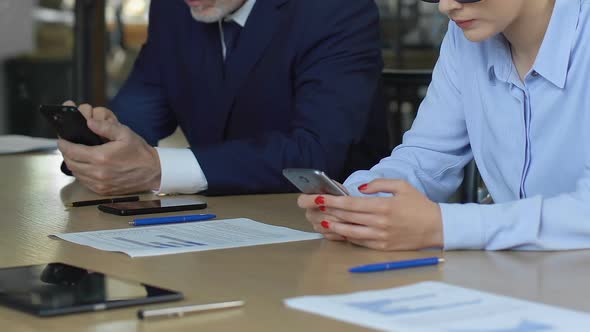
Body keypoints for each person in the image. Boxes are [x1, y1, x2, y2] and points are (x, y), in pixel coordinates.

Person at [298, 0, 590, 251]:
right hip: (519, 277)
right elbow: (426, 156)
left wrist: (444, 226)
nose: (445, 6)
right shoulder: (465, 38)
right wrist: (357, 204)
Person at [57, 0, 388, 196]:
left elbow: (316, 153)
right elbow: (138, 114)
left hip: (319, 229)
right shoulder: (173, 9)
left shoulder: (336, 9)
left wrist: (158, 169)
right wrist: (99, 143)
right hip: (210, 223)